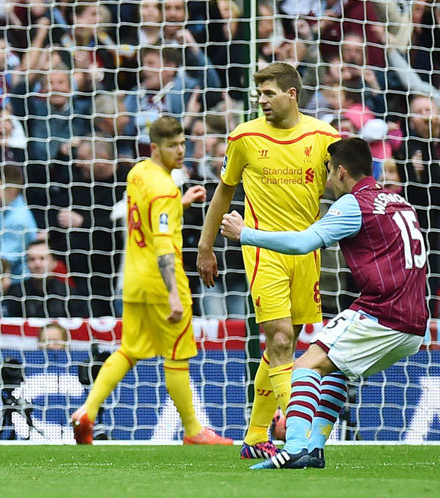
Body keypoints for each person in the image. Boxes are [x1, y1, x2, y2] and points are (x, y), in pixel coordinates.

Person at [220, 138, 428, 469]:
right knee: (334, 371)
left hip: (383, 312)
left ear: (341, 171)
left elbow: (304, 242)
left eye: (329, 173)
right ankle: (315, 449)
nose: (328, 181)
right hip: (416, 323)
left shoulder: (353, 204)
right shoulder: (398, 201)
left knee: (302, 368)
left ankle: (297, 445)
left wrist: (246, 234)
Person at [196, 62, 340, 459]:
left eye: (268, 93)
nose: (261, 101)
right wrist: (205, 247)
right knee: (278, 339)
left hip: (308, 250)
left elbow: (347, 189)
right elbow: (223, 193)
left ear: (291, 95)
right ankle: (300, 440)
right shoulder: (243, 137)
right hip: (262, 251)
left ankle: (256, 434)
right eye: (258, 93)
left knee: (287, 342)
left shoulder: (325, 136)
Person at [70, 116, 230, 446]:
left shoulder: (138, 173)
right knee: (177, 355)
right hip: (161, 283)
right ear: (155, 148)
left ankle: (86, 411)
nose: (181, 151)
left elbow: (148, 214)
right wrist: (173, 293)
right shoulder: (164, 188)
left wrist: (179, 203)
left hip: (133, 280)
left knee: (129, 350)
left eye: (183, 143)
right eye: (173, 146)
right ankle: (192, 430)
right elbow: (161, 243)